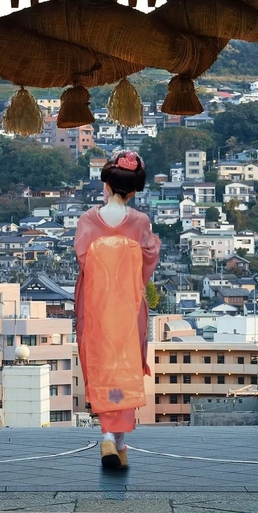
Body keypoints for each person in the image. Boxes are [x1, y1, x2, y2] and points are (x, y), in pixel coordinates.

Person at [73, 150, 160, 470]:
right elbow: (149, 256)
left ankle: (111, 437)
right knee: (125, 367)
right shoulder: (140, 222)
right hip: (128, 305)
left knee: (101, 367)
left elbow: (84, 257)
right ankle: (116, 439)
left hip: (96, 305)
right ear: (134, 191)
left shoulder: (87, 221)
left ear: (105, 186)